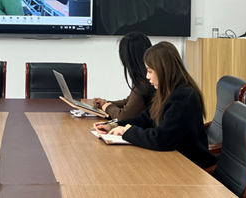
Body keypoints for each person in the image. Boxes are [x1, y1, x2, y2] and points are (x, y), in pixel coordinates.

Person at [93, 41, 216, 169]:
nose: (147, 76)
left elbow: (161, 139)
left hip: (191, 166)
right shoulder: (167, 91)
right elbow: (145, 119)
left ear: (163, 70)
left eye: (150, 71)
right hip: (174, 160)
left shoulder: (182, 97)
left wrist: (126, 131)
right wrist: (114, 125)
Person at [93, 32, 154, 120]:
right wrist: (105, 103)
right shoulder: (142, 77)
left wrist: (107, 107)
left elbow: (123, 116)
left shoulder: (144, 83)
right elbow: (129, 102)